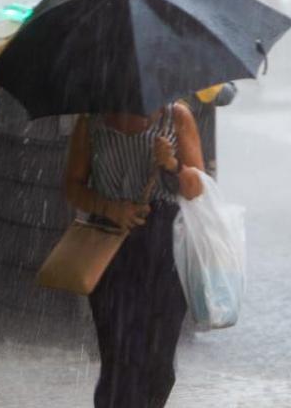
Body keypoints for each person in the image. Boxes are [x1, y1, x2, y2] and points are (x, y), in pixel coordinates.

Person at [64, 102, 204, 407]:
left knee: (159, 362)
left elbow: (196, 189)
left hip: (165, 252)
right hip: (111, 252)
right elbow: (72, 187)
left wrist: (171, 164)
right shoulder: (92, 123)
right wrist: (111, 208)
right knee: (120, 359)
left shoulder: (176, 118)